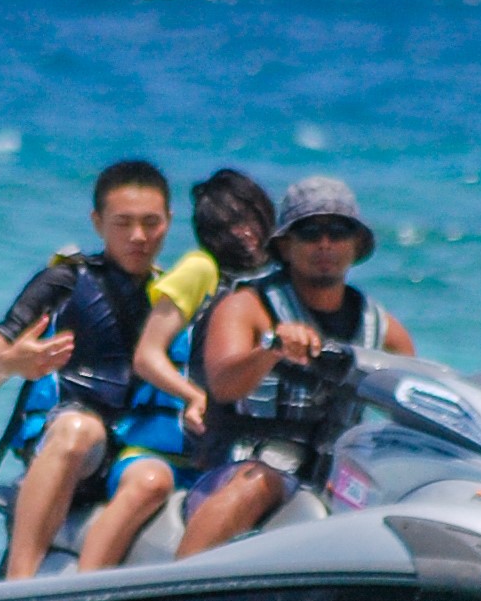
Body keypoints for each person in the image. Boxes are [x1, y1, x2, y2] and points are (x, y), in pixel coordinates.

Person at [176, 175, 415, 559]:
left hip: (334, 480)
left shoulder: (379, 325)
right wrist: (271, 348)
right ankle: (178, 591)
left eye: (338, 232)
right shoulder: (247, 306)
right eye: (309, 232)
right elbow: (223, 384)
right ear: (285, 246)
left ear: (356, 244)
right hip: (241, 470)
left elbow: (416, 394)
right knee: (260, 483)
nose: (325, 244)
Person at [0, 160, 178, 579]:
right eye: (123, 223)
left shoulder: (174, 295)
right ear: (98, 223)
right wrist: (11, 363)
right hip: (66, 439)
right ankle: (18, 586)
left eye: (151, 223)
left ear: (169, 221)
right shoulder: (63, 282)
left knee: (155, 478)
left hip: (129, 452)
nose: (139, 236)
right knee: (80, 429)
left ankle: (92, 592)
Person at [80, 169, 277, 562]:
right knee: (149, 485)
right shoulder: (200, 271)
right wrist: (192, 394)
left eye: (253, 218)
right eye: (230, 223)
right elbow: (148, 355)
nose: (245, 232)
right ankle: (81, 590)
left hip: (218, 456)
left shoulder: (273, 288)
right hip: (152, 450)